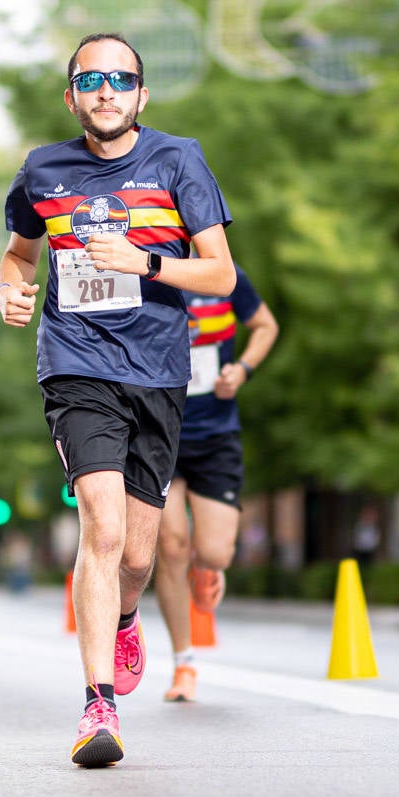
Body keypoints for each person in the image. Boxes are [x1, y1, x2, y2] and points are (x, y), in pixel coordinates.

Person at [0, 32, 236, 767]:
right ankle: (98, 704)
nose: (105, 91)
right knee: (99, 530)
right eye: (90, 79)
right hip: (76, 366)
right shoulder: (42, 171)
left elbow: (221, 275)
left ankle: (127, 612)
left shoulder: (178, 159)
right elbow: (18, 251)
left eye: (120, 80)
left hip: (159, 374)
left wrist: (147, 262)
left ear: (140, 95)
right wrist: (8, 288)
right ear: (72, 95)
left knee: (138, 552)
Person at [154, 264, 277, 702]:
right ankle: (183, 663)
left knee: (212, 551)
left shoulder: (226, 276)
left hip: (215, 435)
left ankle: (208, 565)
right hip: (159, 431)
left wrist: (242, 368)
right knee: (170, 545)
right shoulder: (146, 270)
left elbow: (265, 325)